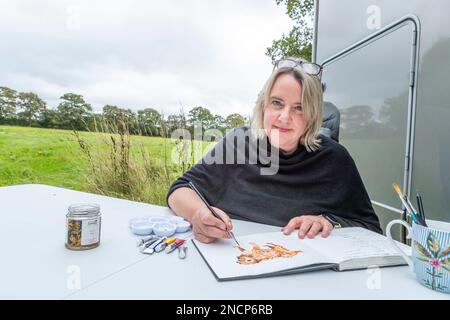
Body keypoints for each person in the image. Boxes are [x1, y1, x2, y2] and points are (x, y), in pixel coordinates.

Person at [166, 57, 382, 244]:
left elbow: (370, 228)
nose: (285, 117)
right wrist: (197, 213)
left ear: (313, 115)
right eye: (277, 103)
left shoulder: (335, 160)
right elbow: (180, 189)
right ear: (264, 106)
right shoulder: (237, 143)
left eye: (299, 108)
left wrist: (329, 222)